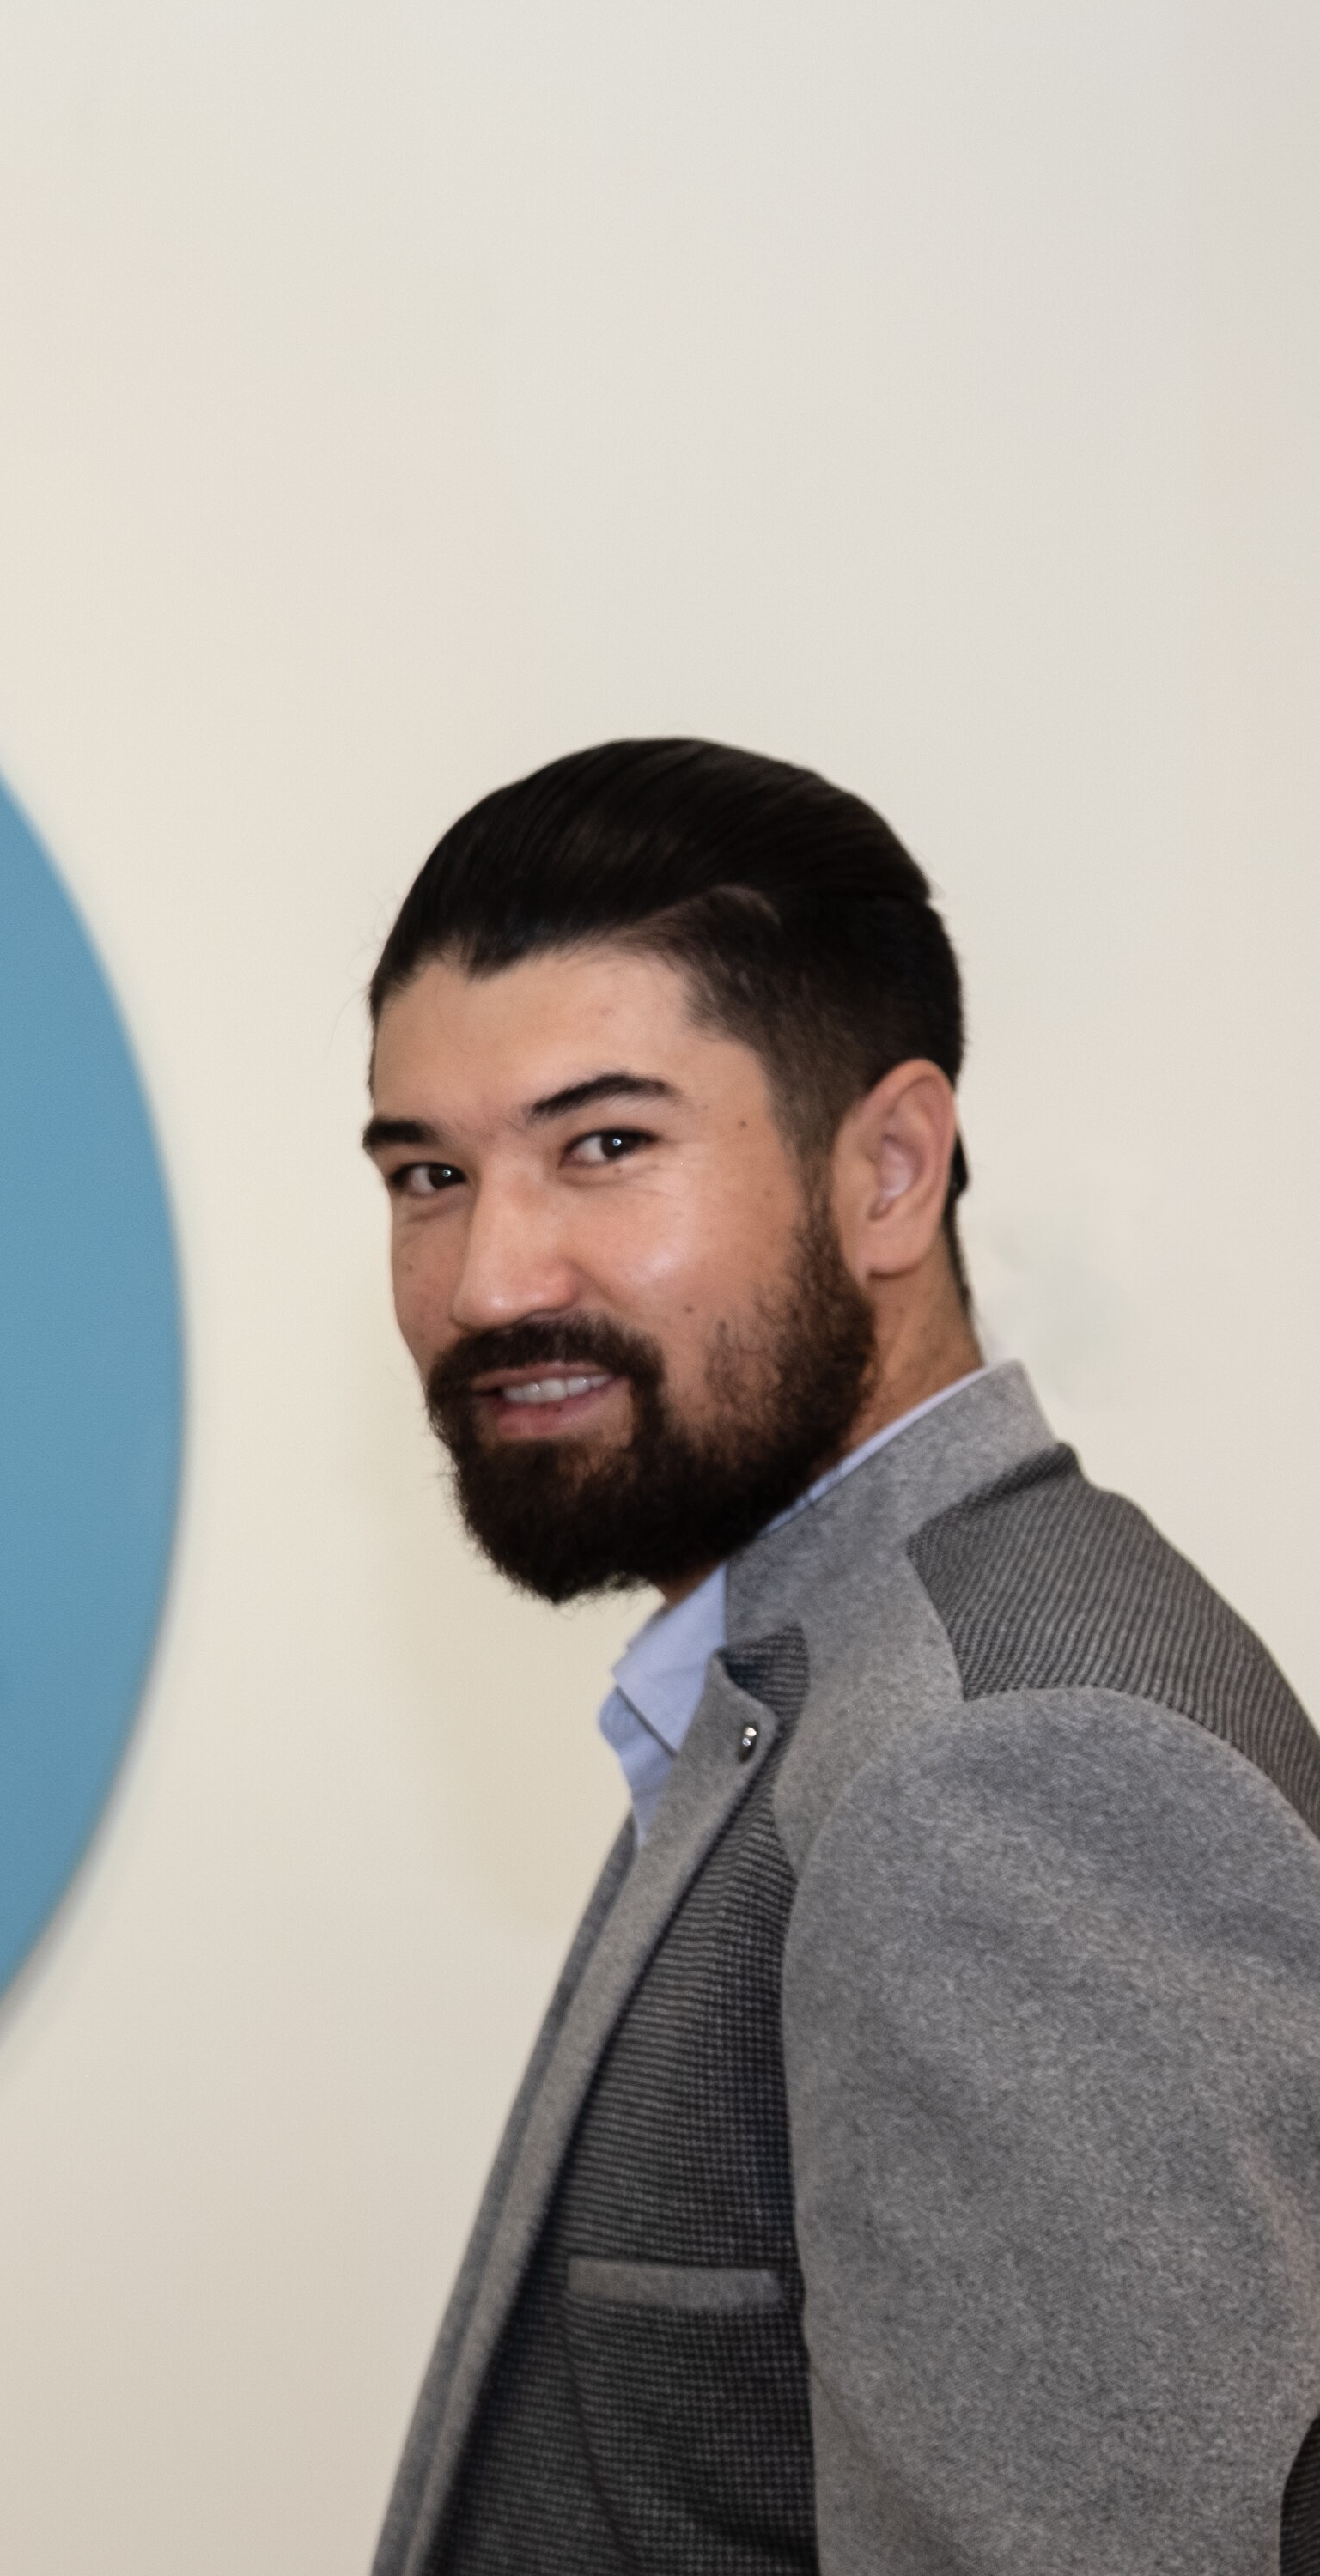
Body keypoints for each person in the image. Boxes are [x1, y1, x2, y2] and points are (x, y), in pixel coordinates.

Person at [361, 739, 1320, 2575]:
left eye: (607, 1146)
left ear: (890, 1169)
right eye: (427, 1173)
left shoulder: (1006, 1771)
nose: (488, 1277)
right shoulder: (826, 1677)